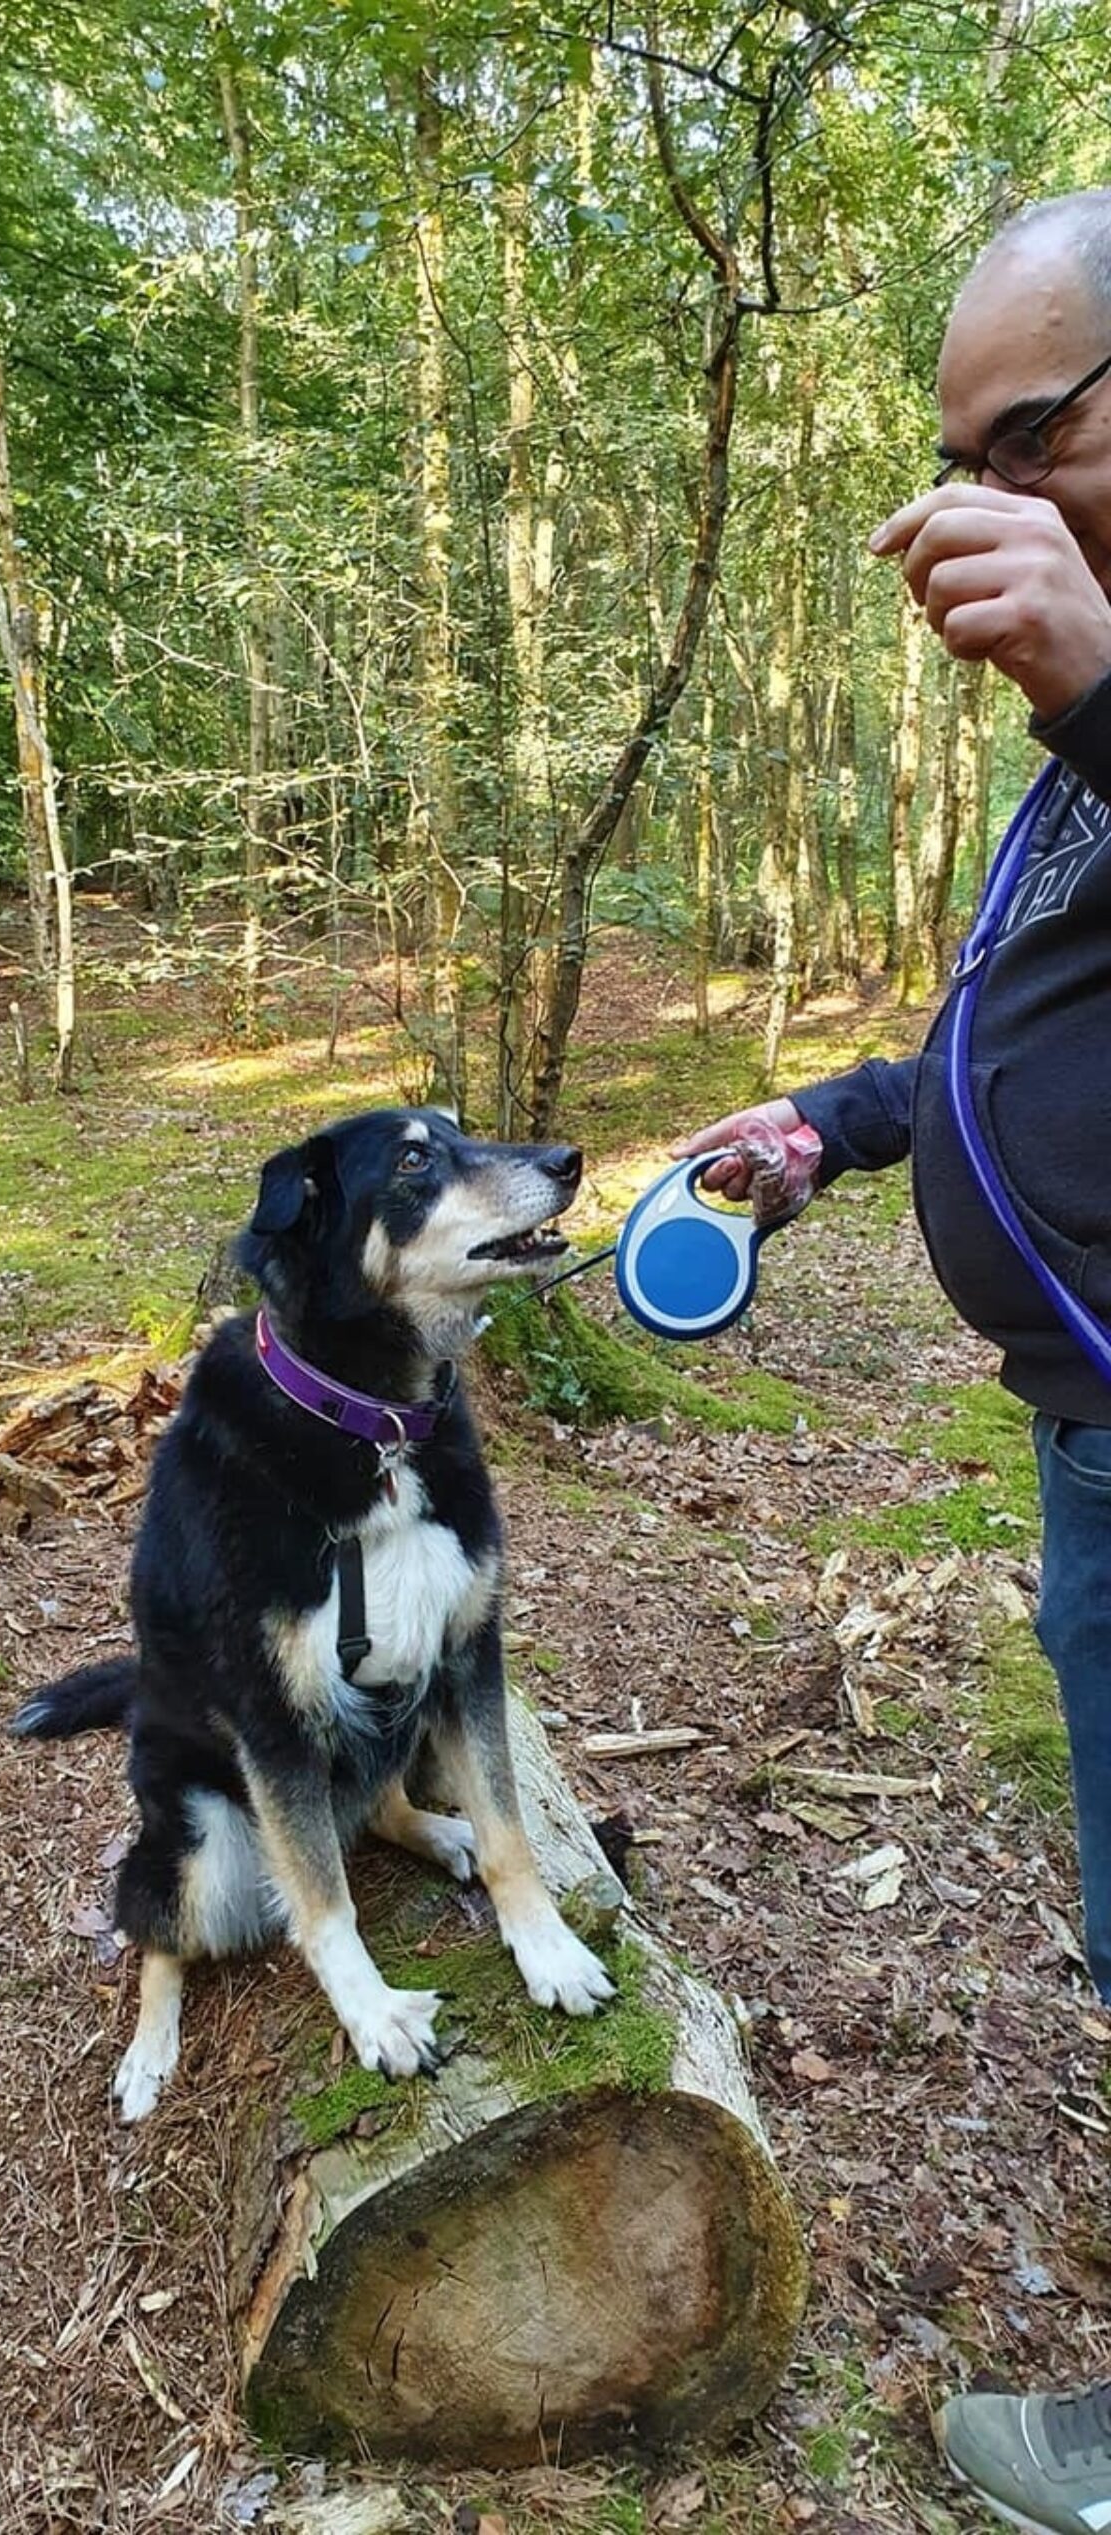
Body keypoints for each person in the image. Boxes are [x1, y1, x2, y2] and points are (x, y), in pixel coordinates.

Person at [677, 191, 1111, 2535]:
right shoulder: (1081, 769)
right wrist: (841, 1121)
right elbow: (1028, 1024)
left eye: (1035, 431)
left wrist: (1098, 681)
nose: (993, 488)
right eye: (964, 450)